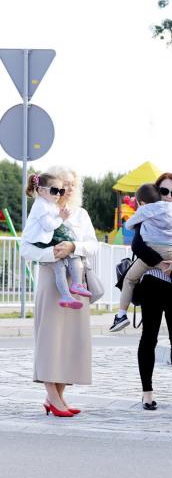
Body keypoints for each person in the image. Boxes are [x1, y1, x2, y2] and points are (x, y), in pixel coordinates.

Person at [21, 166, 98, 417]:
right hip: (50, 278)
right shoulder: (42, 211)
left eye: (73, 184)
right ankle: (53, 398)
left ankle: (57, 396)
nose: (69, 189)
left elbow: (93, 245)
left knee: (72, 341)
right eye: (64, 184)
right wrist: (52, 252)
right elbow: (25, 248)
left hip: (76, 282)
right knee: (50, 340)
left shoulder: (81, 214)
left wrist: (73, 246)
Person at [130, 172, 172, 410]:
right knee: (149, 337)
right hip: (152, 283)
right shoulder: (147, 216)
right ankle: (147, 392)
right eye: (163, 191)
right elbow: (137, 245)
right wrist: (159, 263)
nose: (168, 196)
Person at [110, 183, 172, 332]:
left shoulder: (144, 210)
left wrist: (141, 218)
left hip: (151, 251)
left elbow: (128, 225)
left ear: (142, 202)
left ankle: (121, 315)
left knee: (129, 279)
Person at [21, 172, 91, 309]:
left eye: (61, 191)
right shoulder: (42, 205)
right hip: (41, 243)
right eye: (55, 190)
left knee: (66, 262)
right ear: (41, 190)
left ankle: (71, 290)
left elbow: (92, 245)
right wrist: (61, 218)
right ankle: (71, 289)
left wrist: (73, 246)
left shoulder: (52, 205)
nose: (59, 194)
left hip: (47, 242)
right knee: (60, 266)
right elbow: (48, 226)